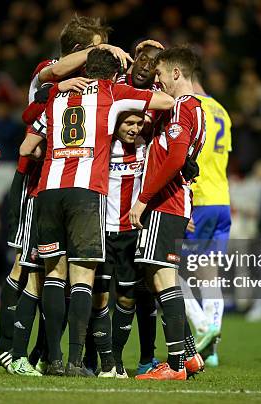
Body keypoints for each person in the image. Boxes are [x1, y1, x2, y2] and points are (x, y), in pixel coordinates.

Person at [0, 14, 132, 368]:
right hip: (38, 184)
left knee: (58, 275)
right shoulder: (51, 74)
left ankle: (42, 353)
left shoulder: (88, 89)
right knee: (28, 267)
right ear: (80, 51)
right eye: (97, 48)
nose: (105, 55)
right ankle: (7, 345)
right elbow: (33, 113)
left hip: (64, 183)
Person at [22, 48, 174, 377]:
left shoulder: (55, 95)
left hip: (47, 190)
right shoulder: (111, 91)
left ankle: (54, 359)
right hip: (85, 192)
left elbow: (27, 144)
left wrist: (56, 87)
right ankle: (76, 361)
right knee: (83, 279)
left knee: (53, 275)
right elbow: (166, 103)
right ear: (112, 74)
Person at [83, 42, 164, 377]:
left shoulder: (145, 146)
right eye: (127, 123)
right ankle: (92, 359)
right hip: (102, 229)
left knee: (130, 298)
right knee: (99, 297)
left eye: (137, 123)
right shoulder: (104, 142)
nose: (133, 128)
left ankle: (116, 359)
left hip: (132, 233)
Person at [129, 46, 206, 381]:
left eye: (160, 74)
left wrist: (144, 199)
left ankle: (174, 366)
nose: (156, 80)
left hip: (164, 203)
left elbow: (175, 159)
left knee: (162, 279)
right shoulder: (199, 108)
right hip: (175, 202)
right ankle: (188, 356)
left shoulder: (180, 108)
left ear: (176, 73)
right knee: (156, 278)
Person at [182, 67, 233, 368]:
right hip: (222, 201)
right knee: (210, 275)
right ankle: (211, 350)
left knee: (167, 271)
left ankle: (202, 326)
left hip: (198, 200)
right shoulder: (222, 110)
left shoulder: (192, 106)